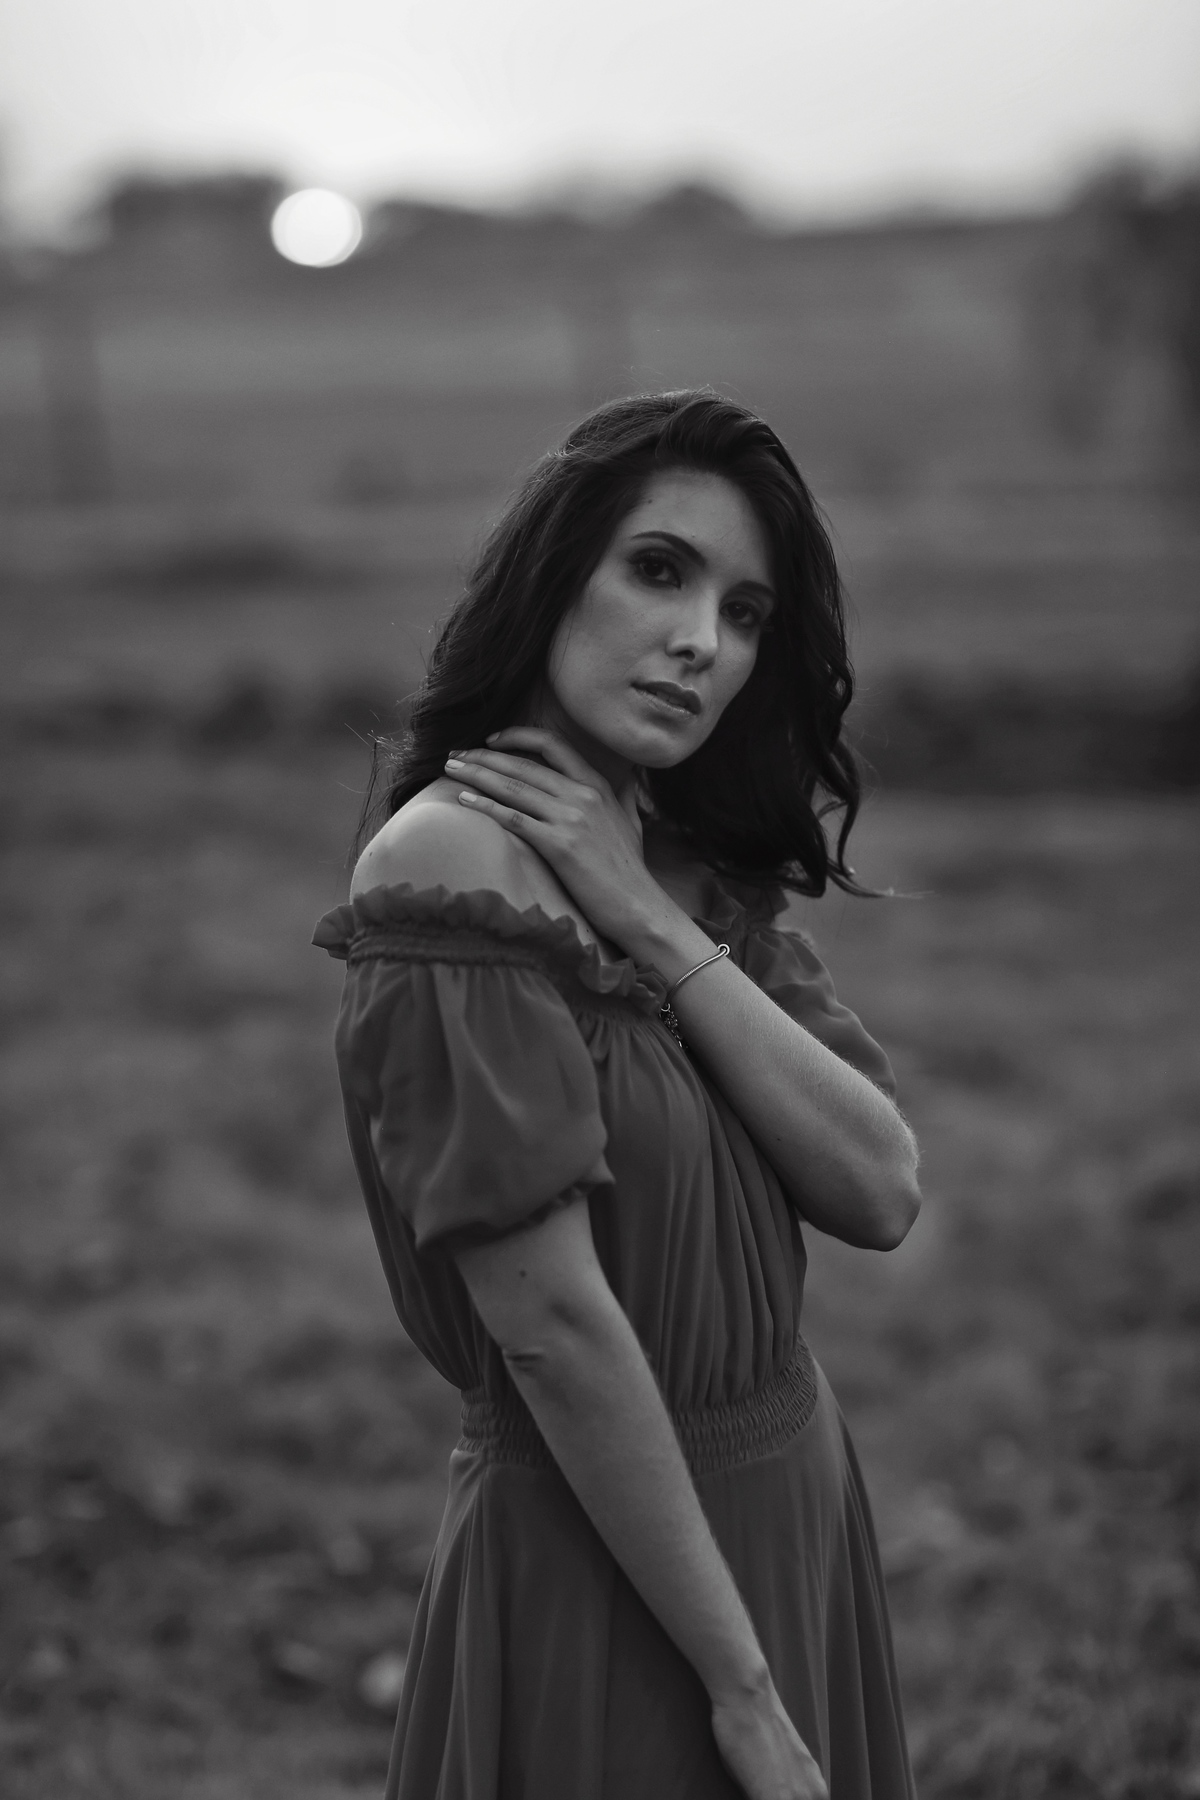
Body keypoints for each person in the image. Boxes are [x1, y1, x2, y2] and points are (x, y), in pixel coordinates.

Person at [314, 390, 921, 1800]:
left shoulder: (681, 865)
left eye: (746, 612)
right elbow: (553, 1330)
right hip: (616, 1567)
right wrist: (742, 1691)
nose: (703, 639)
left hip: (790, 1501)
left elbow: (881, 1186)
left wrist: (646, 916)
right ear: (552, 576)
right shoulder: (446, 873)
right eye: (660, 570)